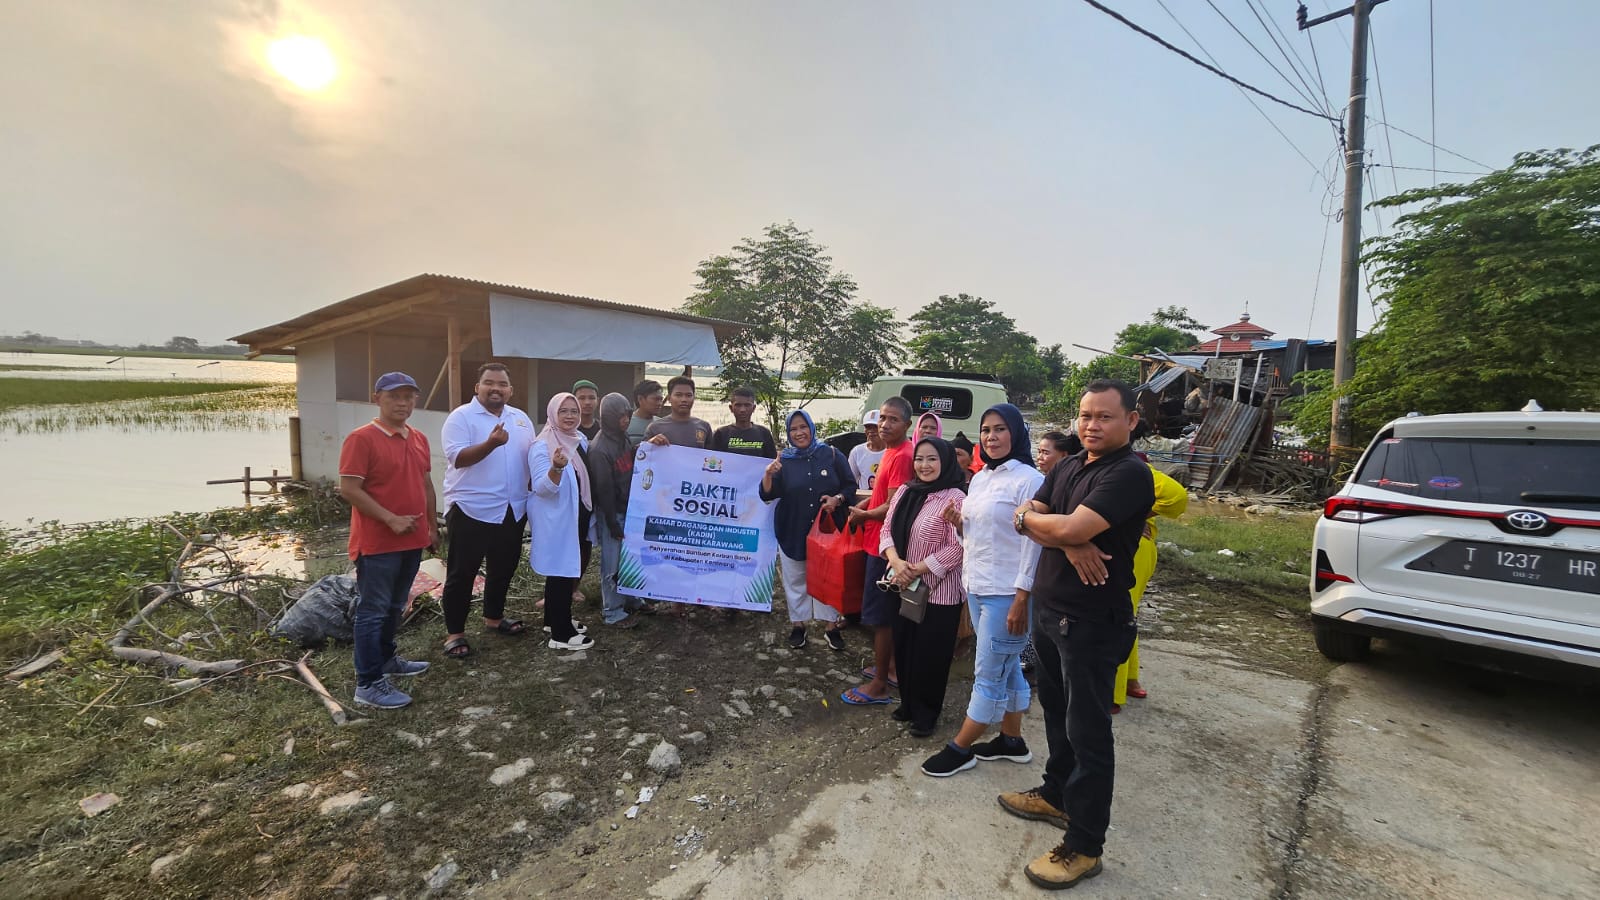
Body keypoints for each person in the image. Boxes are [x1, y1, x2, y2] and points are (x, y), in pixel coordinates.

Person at [1001, 379, 1155, 890]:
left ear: (1130, 421)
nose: (1091, 425)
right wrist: (1066, 540)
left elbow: (1048, 522)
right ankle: (1056, 795)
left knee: (1089, 732)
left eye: (1104, 416)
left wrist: (1057, 529)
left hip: (1091, 621)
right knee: (1056, 711)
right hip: (1051, 610)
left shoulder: (1128, 473)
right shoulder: (1069, 466)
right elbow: (1029, 513)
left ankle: (1085, 845)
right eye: (1085, 415)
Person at [921, 404, 1044, 776]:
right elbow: (981, 534)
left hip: (1007, 593)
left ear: (1016, 433)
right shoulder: (979, 479)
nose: (991, 437)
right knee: (1008, 667)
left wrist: (1022, 597)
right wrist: (960, 525)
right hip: (976, 586)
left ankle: (960, 748)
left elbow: (1034, 544)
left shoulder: (1029, 480)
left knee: (988, 674)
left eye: (1000, 429)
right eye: (986, 430)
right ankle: (1012, 740)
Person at [337, 372, 437, 709]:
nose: (403, 403)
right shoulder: (361, 439)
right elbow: (349, 489)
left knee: (396, 606)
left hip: (412, 540)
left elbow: (425, 484)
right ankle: (368, 682)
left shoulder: (419, 438)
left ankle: (387, 659)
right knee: (373, 610)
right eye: (395, 396)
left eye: (409, 397)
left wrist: (431, 528)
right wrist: (390, 519)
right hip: (377, 544)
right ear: (377, 398)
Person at [438, 363, 535, 660]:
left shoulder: (520, 419)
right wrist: (491, 444)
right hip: (471, 508)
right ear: (476, 387)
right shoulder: (461, 417)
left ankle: (494, 617)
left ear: (510, 390)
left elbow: (531, 458)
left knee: (503, 567)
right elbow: (458, 458)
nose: (496, 388)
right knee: (462, 573)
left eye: (502, 384)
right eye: (489, 383)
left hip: (512, 509)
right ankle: (455, 633)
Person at [879, 436, 966, 737]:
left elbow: (959, 547)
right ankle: (908, 703)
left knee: (931, 652)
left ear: (945, 461)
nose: (924, 465)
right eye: (919, 459)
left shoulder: (957, 498)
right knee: (904, 645)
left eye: (932, 459)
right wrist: (896, 562)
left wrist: (917, 568)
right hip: (902, 583)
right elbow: (887, 529)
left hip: (940, 591)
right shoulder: (906, 490)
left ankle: (926, 713)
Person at [759, 410, 856, 650]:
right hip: (793, 528)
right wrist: (768, 474)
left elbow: (850, 485)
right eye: (793, 429)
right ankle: (798, 625)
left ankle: (831, 627)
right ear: (788, 433)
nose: (799, 433)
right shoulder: (784, 460)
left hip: (828, 530)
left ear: (812, 428)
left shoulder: (831, 454)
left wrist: (837, 499)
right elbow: (767, 494)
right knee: (795, 579)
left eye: (803, 427)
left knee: (828, 578)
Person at [841, 396, 914, 705]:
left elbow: (894, 506)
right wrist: (864, 505)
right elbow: (882, 494)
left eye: (893, 419)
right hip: (878, 541)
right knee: (886, 614)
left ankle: (880, 684)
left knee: (881, 618)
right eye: (882, 418)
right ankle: (891, 668)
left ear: (907, 424)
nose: (884, 424)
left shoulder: (902, 456)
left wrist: (865, 516)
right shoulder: (891, 451)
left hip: (884, 547)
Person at [1113, 463, 1187, 711]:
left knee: (1115, 616)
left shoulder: (1128, 467)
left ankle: (1112, 691)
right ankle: (1130, 678)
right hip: (1130, 548)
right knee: (1126, 613)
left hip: (1130, 550)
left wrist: (1131, 516)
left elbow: (1176, 496)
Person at [528, 392, 595, 651]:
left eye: (573, 411)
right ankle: (561, 634)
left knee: (565, 571)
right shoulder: (542, 445)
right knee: (561, 572)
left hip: (575, 515)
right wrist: (555, 468)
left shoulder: (578, 440)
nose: (569, 416)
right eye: (563, 411)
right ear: (552, 414)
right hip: (556, 520)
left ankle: (553, 619)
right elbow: (541, 489)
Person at [587, 391, 655, 628]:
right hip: (612, 513)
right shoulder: (599, 449)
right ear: (608, 418)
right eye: (620, 417)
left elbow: (628, 460)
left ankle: (631, 598)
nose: (625, 420)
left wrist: (643, 448)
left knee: (629, 559)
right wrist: (612, 523)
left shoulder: (621, 437)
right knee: (612, 564)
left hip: (628, 508)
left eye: (627, 415)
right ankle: (612, 611)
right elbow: (604, 490)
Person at [645, 375, 713, 448]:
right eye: (678, 395)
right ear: (669, 398)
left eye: (688, 395)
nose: (684, 399)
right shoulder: (655, 428)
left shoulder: (704, 427)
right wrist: (649, 443)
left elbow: (712, 454)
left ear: (694, 398)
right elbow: (642, 452)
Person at [712, 386, 777, 458]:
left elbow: (772, 461)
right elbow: (714, 460)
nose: (742, 410)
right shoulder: (721, 434)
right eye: (738, 405)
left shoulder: (764, 433)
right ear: (731, 408)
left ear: (753, 408)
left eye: (747, 405)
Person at [848, 410, 885, 495]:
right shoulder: (857, 451)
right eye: (868, 427)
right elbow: (850, 480)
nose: (871, 431)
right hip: (863, 497)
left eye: (875, 427)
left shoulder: (891, 451)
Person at [627, 379, 663, 450]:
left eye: (661, 399)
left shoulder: (662, 424)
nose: (659, 403)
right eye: (656, 399)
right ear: (640, 399)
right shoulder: (626, 423)